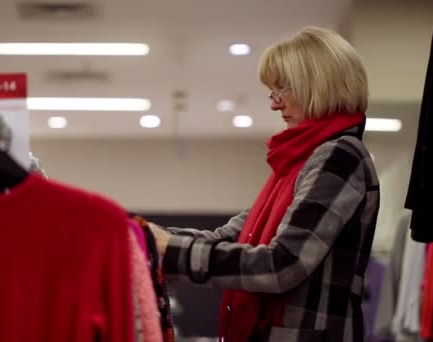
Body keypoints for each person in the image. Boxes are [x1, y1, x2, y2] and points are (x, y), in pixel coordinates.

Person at [149, 26, 380, 342]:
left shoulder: (338, 155)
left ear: (316, 85)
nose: (274, 104)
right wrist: (147, 239)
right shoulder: (299, 162)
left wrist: (170, 252)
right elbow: (231, 237)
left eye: (281, 89)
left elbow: (283, 263)